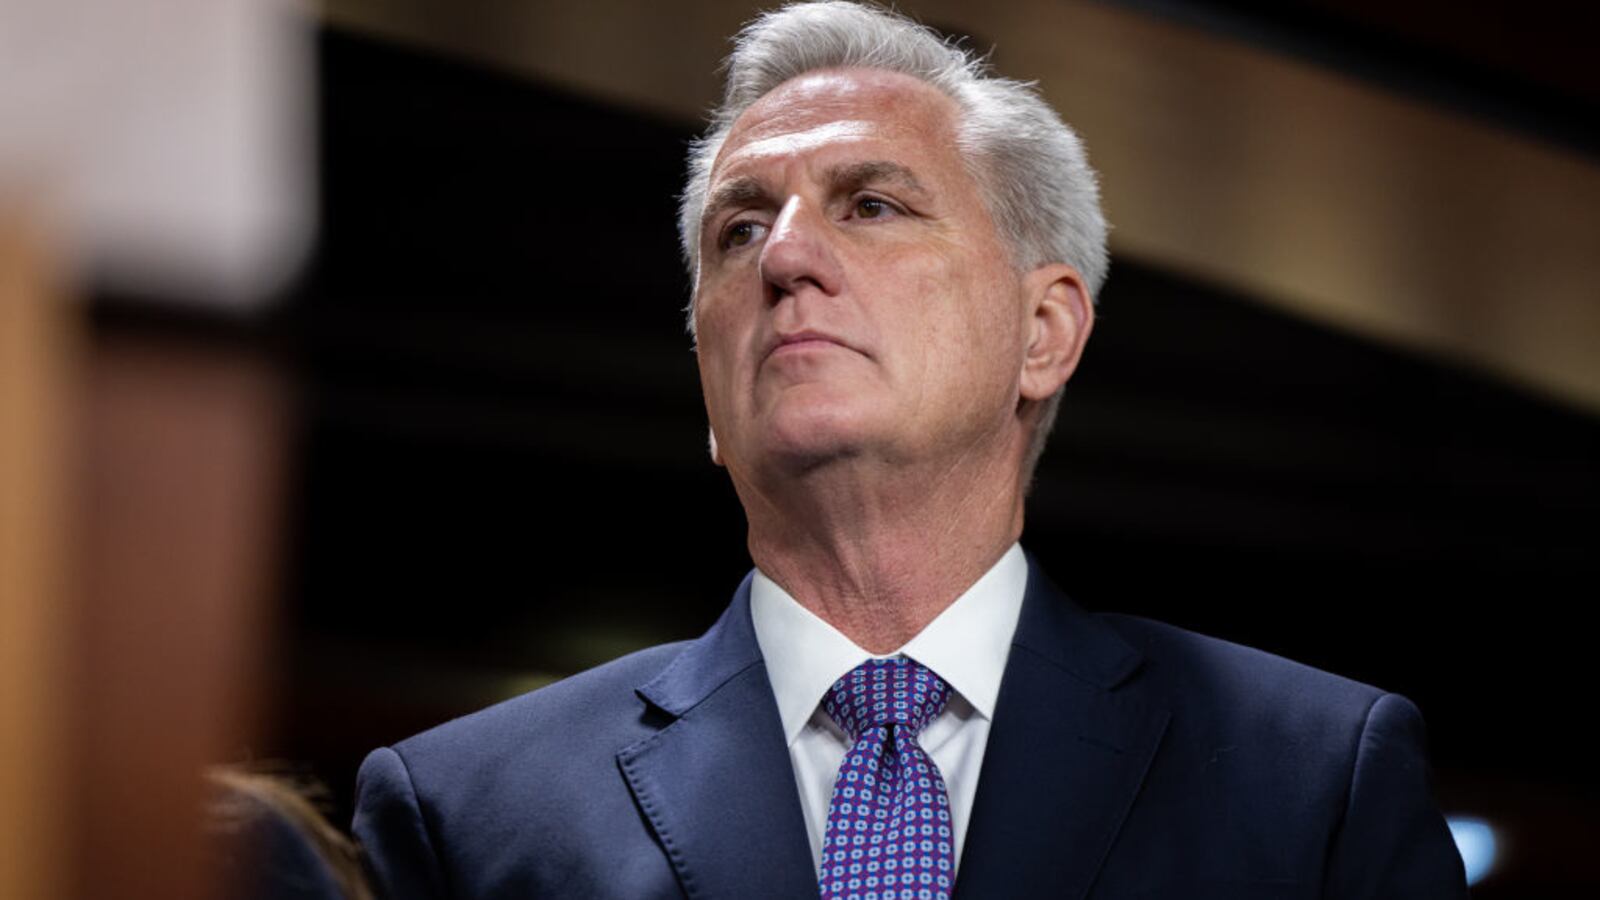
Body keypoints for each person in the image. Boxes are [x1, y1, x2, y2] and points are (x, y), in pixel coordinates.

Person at [352, 3, 1469, 897]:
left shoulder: (1315, 776)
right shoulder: (463, 814)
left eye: (872, 205)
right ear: (707, 384)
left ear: (1043, 334)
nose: (785, 257)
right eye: (738, 230)